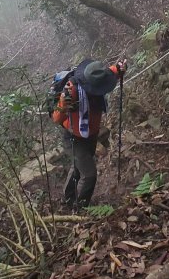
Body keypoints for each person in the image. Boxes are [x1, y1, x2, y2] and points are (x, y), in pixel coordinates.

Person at [52, 57, 127, 208]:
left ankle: (68, 198)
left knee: (78, 168)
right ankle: (80, 208)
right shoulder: (71, 89)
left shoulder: (100, 76)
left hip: (90, 135)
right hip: (73, 138)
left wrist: (120, 68)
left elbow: (113, 71)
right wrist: (63, 104)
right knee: (89, 175)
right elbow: (56, 118)